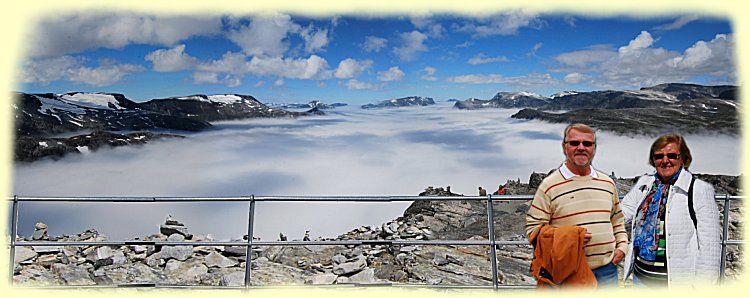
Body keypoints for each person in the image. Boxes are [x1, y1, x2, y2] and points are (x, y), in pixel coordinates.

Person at [525, 123, 627, 287]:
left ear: (594, 148)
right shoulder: (549, 186)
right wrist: (570, 236)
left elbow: (617, 220)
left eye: (587, 144)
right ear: (565, 147)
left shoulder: (607, 183)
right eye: (574, 143)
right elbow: (533, 229)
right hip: (568, 272)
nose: (581, 147)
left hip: (607, 270)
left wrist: (622, 247)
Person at [620, 133, 721, 288]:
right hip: (641, 278)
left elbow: (710, 246)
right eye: (659, 156)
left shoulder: (699, 190)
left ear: (683, 158)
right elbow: (625, 210)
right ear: (653, 160)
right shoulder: (645, 184)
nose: (665, 160)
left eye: (672, 155)